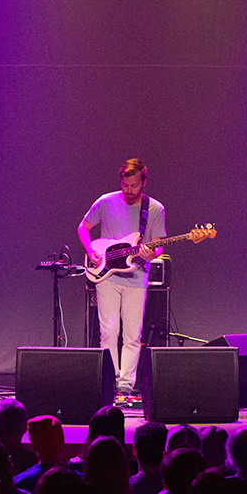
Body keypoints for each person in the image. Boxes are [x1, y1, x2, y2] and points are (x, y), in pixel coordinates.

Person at [79, 159, 166, 394]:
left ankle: (125, 385)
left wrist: (151, 254)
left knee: (132, 335)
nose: (129, 190)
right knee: (109, 331)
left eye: (134, 185)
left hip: (137, 277)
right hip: (107, 275)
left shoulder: (154, 209)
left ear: (144, 183)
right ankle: (109, 381)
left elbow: (157, 245)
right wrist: (90, 251)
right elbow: (83, 228)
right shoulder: (106, 201)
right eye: (125, 185)